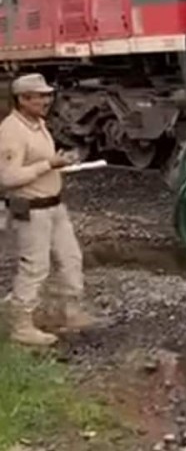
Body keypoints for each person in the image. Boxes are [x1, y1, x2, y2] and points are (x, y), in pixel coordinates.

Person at [0, 73, 101, 346]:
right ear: (23, 99)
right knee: (35, 267)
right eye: (40, 96)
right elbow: (7, 178)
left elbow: (43, 162)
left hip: (54, 206)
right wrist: (49, 165)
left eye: (48, 95)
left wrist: (63, 161)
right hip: (31, 210)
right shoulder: (11, 131)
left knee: (71, 259)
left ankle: (71, 312)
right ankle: (21, 324)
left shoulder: (37, 125)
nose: (47, 100)